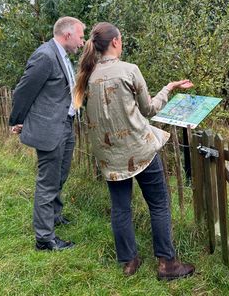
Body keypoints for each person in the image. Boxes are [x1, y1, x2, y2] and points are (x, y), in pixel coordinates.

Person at [73, 22, 196, 280]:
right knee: (159, 204)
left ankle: (129, 261)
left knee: (120, 208)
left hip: (109, 157)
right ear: (116, 42)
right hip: (140, 152)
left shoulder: (87, 75)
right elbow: (149, 109)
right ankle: (167, 264)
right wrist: (168, 88)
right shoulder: (129, 70)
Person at [9, 16, 85, 251]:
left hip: (65, 124)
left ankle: (53, 216)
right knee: (48, 182)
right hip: (50, 128)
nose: (82, 42)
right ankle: (44, 239)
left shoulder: (61, 55)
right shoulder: (45, 55)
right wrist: (16, 120)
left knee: (60, 175)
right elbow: (23, 91)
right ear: (68, 34)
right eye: (81, 37)